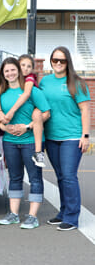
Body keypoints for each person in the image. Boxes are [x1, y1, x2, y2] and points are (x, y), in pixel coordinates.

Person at [0, 58, 50, 229]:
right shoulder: (1, 93)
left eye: (12, 70)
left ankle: (32, 216)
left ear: (18, 70)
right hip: (10, 141)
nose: (10, 73)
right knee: (15, 177)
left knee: (35, 178)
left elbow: (45, 113)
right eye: (6, 71)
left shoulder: (31, 91)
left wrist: (27, 127)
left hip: (30, 141)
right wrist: (6, 128)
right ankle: (14, 214)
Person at [40, 46, 90, 231]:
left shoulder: (77, 83)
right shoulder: (45, 82)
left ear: (68, 62)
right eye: (55, 60)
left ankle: (71, 217)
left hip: (72, 136)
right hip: (51, 137)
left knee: (69, 176)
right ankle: (63, 212)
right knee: (61, 177)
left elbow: (85, 110)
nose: (58, 64)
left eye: (62, 60)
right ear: (51, 61)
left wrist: (85, 136)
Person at [0, 54, 46, 169]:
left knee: (37, 113)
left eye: (28, 66)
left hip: (29, 137)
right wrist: (2, 118)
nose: (25, 69)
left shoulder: (29, 82)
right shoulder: (3, 86)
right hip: (10, 139)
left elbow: (26, 95)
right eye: (23, 65)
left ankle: (38, 152)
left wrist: (26, 126)